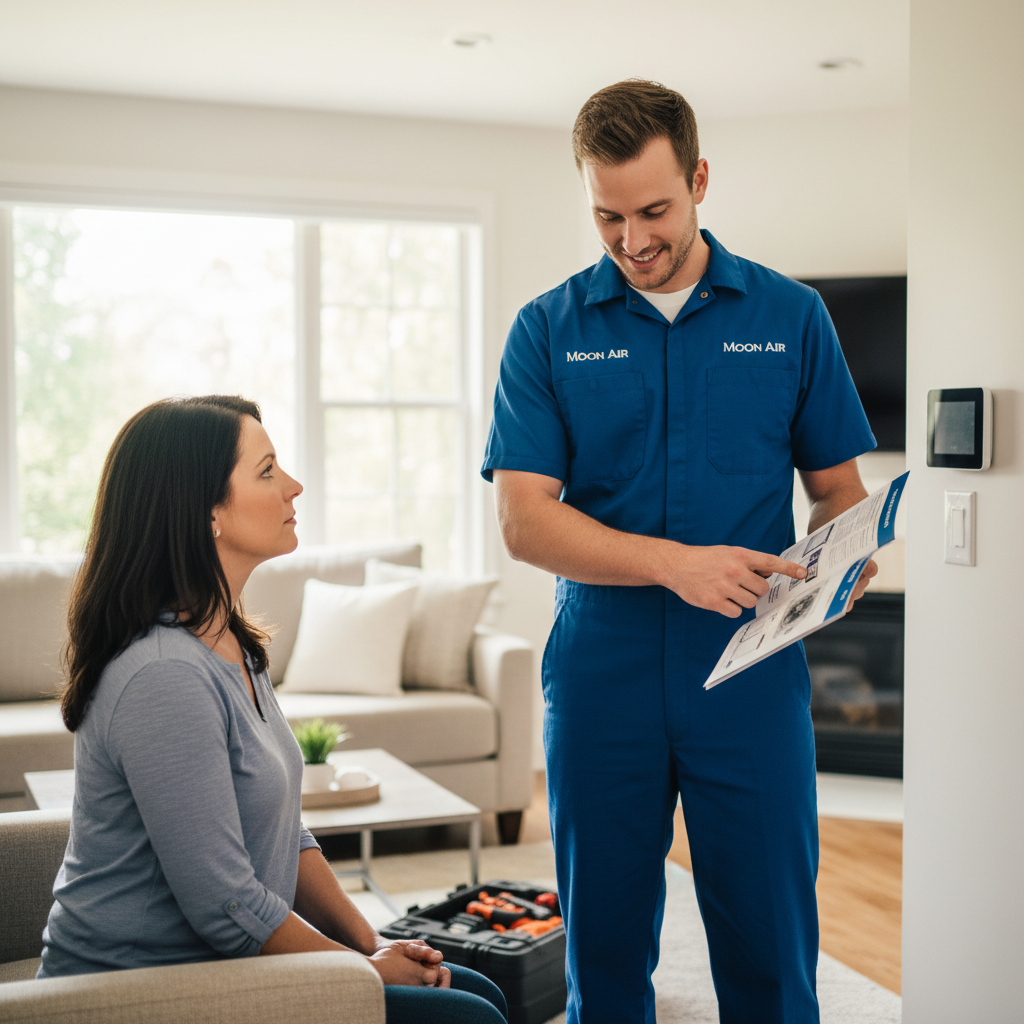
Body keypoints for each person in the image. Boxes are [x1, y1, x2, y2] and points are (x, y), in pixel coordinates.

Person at [481, 81, 878, 1024]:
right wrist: (674, 563)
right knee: (605, 953)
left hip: (748, 668)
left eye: (654, 210)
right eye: (607, 216)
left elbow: (838, 492)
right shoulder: (548, 329)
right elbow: (525, 521)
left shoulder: (791, 315)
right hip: (599, 669)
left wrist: (849, 565)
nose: (632, 240)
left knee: (771, 947)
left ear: (699, 180)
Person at [39, 394, 508, 1024]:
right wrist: (358, 974)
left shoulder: (234, 645)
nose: (293, 486)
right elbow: (224, 902)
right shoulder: (163, 676)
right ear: (205, 511)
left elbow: (286, 835)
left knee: (482, 989)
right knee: (470, 1017)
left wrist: (372, 941)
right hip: (141, 987)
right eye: (266, 471)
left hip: (223, 961)